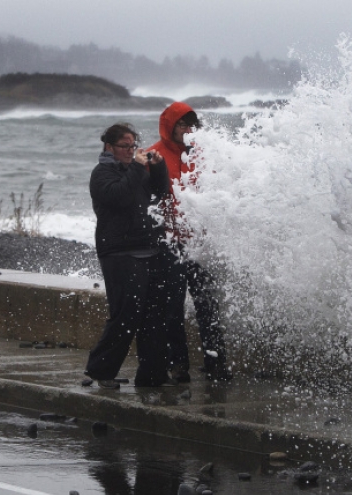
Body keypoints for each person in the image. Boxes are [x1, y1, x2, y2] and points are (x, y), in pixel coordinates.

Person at [85, 122, 176, 388]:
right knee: (126, 314)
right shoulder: (102, 173)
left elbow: (160, 193)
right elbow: (119, 197)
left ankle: (152, 374)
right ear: (109, 147)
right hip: (118, 253)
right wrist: (137, 167)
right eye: (125, 146)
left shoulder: (136, 172)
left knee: (155, 314)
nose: (130, 150)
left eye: (133, 146)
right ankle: (101, 371)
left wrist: (158, 167)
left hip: (148, 248)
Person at [149, 102, 232, 382]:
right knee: (172, 307)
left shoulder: (201, 156)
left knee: (207, 304)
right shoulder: (154, 156)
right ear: (170, 126)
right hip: (169, 244)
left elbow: (217, 192)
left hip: (198, 243)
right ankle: (178, 364)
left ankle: (216, 362)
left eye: (191, 125)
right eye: (182, 124)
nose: (187, 130)